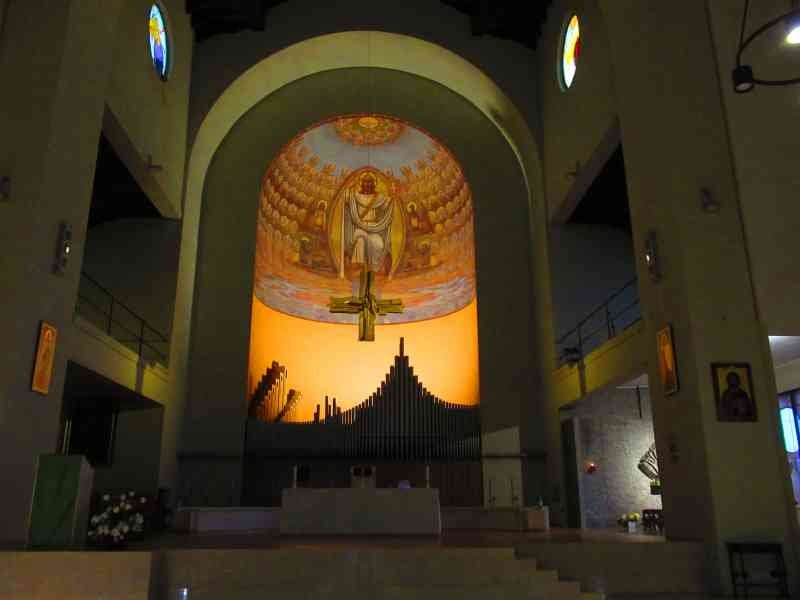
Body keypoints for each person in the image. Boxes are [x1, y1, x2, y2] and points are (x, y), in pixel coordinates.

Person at [341, 172, 395, 275]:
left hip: (374, 228)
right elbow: (346, 200)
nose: (368, 185)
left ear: (374, 184)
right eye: (365, 182)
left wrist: (392, 194)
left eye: (370, 182)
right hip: (359, 227)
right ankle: (358, 268)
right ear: (362, 184)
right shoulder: (355, 196)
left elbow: (387, 205)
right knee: (360, 241)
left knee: (379, 244)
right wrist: (347, 187)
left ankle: (373, 269)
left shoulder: (379, 198)